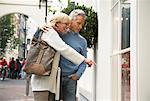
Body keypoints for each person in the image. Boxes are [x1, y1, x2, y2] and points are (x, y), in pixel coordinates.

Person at [30, 12, 93, 101]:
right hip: (50, 78)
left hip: (60, 78)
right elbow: (65, 49)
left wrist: (77, 75)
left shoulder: (80, 40)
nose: (67, 27)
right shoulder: (55, 33)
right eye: (66, 24)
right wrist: (84, 60)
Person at [59, 9, 89, 101]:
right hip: (56, 77)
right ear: (70, 20)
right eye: (78, 23)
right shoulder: (60, 35)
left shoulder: (82, 41)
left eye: (82, 24)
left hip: (71, 79)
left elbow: (84, 61)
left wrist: (77, 75)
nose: (80, 27)